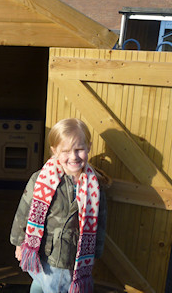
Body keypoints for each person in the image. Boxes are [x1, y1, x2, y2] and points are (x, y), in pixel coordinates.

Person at [10, 118, 109, 293]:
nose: (73, 157)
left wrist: (96, 250)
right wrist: (19, 243)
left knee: (51, 285)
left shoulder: (95, 186)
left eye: (79, 149)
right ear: (54, 151)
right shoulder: (41, 179)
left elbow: (100, 220)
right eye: (66, 151)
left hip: (70, 257)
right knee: (45, 283)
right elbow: (23, 211)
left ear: (89, 147)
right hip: (44, 251)